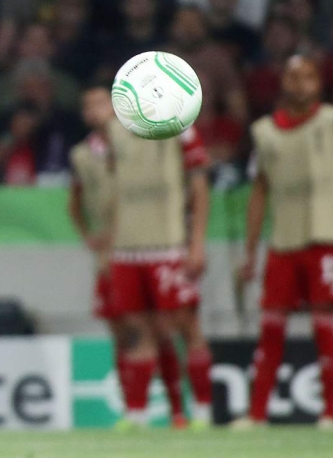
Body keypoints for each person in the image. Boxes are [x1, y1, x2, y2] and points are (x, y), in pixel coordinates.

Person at [68, 87, 192, 429]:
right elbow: (74, 202)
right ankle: (132, 410)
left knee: (161, 329)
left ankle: (177, 410)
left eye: (100, 103)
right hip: (112, 256)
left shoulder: (142, 142)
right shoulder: (82, 155)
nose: (94, 111)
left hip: (148, 246)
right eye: (88, 105)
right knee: (124, 334)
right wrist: (89, 236)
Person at [234, 56, 333, 430]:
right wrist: (250, 250)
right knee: (271, 326)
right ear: (282, 82)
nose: (301, 83)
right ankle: (257, 414)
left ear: (319, 82)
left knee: (323, 325)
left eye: (308, 76)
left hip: (326, 236)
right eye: (294, 76)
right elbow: (259, 191)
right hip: (283, 241)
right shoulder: (264, 132)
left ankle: (329, 412)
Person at [104, 99, 214, 430]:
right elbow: (115, 190)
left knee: (185, 326)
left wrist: (196, 243)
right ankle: (137, 415)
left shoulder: (182, 128)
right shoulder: (113, 132)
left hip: (169, 245)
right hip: (127, 249)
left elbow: (199, 188)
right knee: (137, 330)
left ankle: (202, 411)